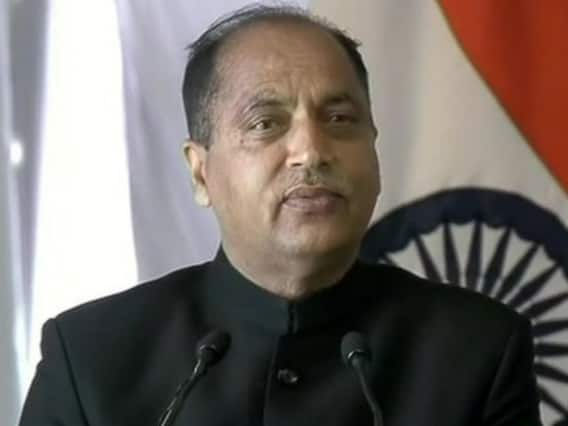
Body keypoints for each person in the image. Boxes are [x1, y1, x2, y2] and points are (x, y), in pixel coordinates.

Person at [19, 4, 542, 426]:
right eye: (265, 123)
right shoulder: (92, 357)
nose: (311, 151)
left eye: (340, 118)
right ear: (201, 173)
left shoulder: (477, 351)